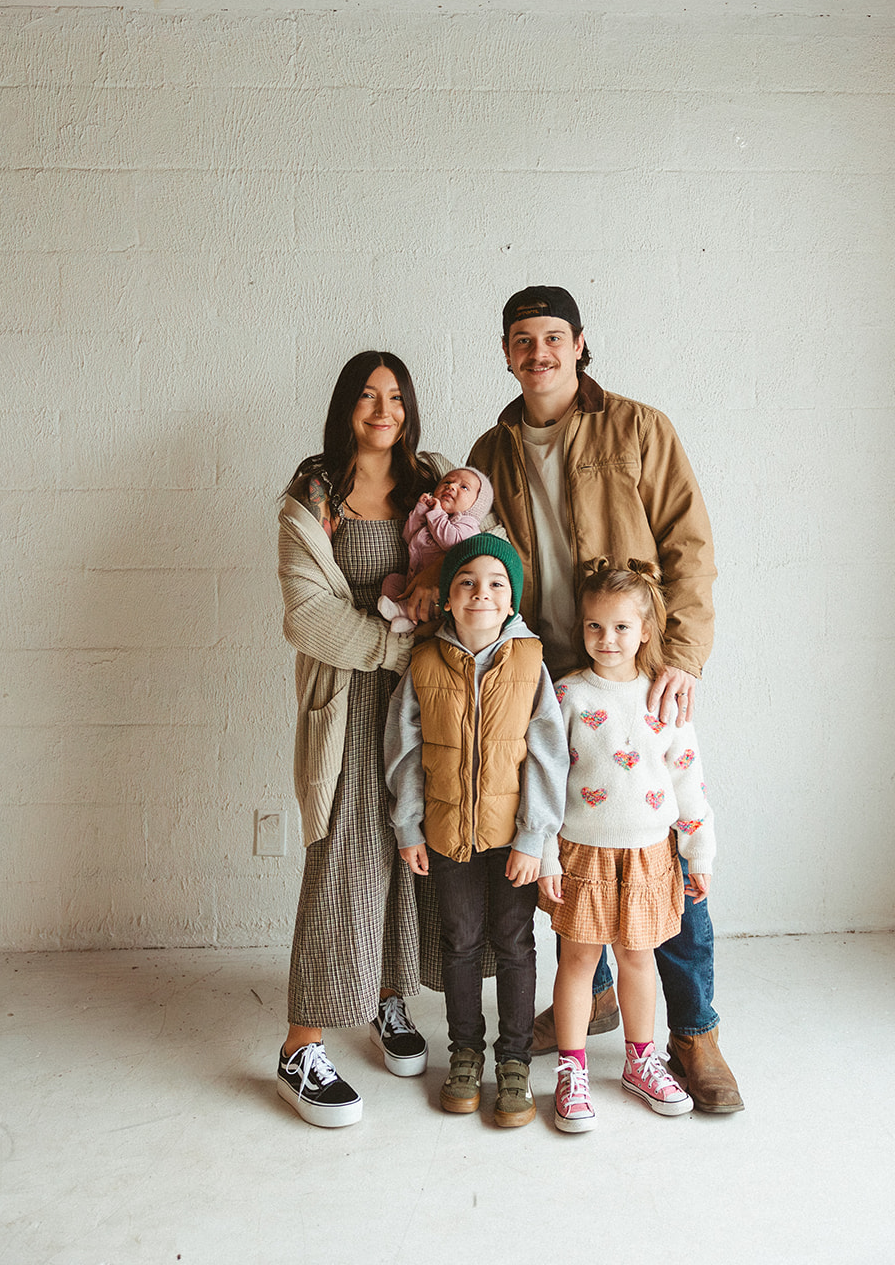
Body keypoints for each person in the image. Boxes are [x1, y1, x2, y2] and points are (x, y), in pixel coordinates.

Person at [465, 284, 743, 1114]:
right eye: (522, 340)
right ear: (506, 352)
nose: (538, 354)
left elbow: (688, 546)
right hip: (546, 677)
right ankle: (590, 994)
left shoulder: (638, 428)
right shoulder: (493, 446)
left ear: (580, 344)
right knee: (555, 838)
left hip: (637, 666)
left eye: (553, 338)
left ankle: (693, 1032)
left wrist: (682, 653)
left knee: (660, 838)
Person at [275, 350, 458, 1128]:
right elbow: (307, 616)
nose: (382, 409)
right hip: (351, 701)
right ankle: (299, 1047)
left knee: (413, 851)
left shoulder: (438, 481)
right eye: (367, 396)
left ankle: (390, 999)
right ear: (346, 406)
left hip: (426, 699)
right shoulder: (310, 495)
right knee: (345, 854)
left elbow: (484, 561)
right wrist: (396, 648)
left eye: (395, 396)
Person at [384, 533, 568, 1129]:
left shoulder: (531, 660)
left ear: (511, 598)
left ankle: (514, 1060)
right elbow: (404, 753)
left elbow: (547, 756)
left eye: (496, 583)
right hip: (445, 836)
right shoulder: (424, 661)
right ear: (446, 597)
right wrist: (408, 826)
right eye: (466, 582)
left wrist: (535, 839)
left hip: (514, 842)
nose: (480, 594)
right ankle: (465, 1053)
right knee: (459, 944)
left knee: (515, 945)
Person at [538, 561, 716, 1132]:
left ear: (645, 630)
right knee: (579, 961)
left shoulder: (663, 695)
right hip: (581, 854)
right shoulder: (563, 694)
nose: (605, 639)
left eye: (619, 627)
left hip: (649, 854)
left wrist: (699, 854)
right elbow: (540, 784)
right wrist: (544, 857)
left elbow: (687, 778)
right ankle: (572, 1069)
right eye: (593, 627)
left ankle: (642, 1060)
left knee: (638, 959)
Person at [378, 466, 493, 633]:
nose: (451, 487)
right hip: (414, 578)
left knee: (432, 600)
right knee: (392, 581)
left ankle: (399, 611)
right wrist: (421, 510)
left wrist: (436, 512)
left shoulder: (468, 524)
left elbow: (450, 542)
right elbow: (409, 534)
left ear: (475, 504)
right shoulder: (432, 516)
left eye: (464, 487)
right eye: (447, 482)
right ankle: (407, 621)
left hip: (441, 589)